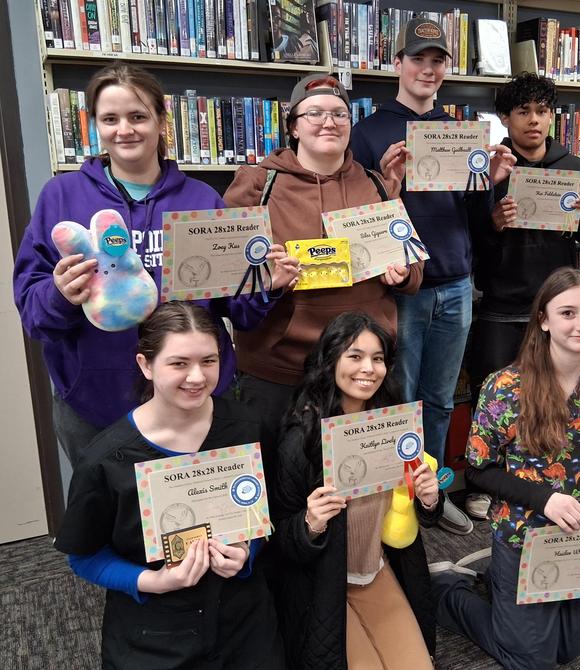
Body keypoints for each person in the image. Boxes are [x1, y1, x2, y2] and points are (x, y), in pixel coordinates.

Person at [13, 63, 296, 466]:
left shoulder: (201, 200)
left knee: (194, 524)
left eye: (138, 116)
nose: (124, 130)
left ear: (162, 122)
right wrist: (59, 295)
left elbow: (239, 312)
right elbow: (33, 313)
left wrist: (267, 284)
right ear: (94, 125)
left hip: (192, 401)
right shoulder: (61, 196)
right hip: (93, 401)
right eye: (109, 119)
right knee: (111, 525)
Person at [435, 268, 580, 670]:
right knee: (528, 661)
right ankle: (447, 589)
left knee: (567, 651)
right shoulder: (507, 386)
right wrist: (547, 499)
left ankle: (496, 583)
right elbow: (478, 469)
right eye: (568, 313)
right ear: (543, 319)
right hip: (524, 533)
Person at [350, 17, 516, 534]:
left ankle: (432, 492)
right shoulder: (368, 131)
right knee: (397, 398)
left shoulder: (461, 130)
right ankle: (393, 494)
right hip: (401, 288)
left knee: (441, 399)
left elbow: (473, 216)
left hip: (456, 284)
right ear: (398, 64)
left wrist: (493, 184)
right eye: (417, 58)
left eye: (437, 60)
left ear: (446, 68)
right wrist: (390, 186)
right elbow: (357, 214)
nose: (427, 68)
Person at [53, 302, 285, 668]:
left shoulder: (247, 428)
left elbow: (267, 517)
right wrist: (153, 581)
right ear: (146, 365)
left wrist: (248, 553)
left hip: (244, 623)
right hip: (155, 634)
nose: (197, 377)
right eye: (179, 363)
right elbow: (85, 557)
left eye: (209, 361)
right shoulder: (107, 458)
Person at [223, 73, 422, 443]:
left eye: (340, 114)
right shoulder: (257, 186)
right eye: (314, 113)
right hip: (279, 370)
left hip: (359, 373)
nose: (329, 122)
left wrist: (402, 273)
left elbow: (414, 268)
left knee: (350, 489)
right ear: (293, 127)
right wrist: (268, 281)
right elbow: (227, 283)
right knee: (280, 484)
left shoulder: (376, 185)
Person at [272, 312, 443, 669]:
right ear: (330, 360)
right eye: (355, 356)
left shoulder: (394, 424)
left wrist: (429, 500)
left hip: (377, 570)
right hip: (325, 583)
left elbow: (409, 519)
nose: (368, 368)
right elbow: (280, 541)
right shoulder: (301, 439)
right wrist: (310, 524)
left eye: (377, 358)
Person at [467, 71, 580, 520]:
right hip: (502, 304)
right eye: (522, 111)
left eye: (541, 111)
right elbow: (475, 242)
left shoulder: (573, 167)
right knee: (495, 398)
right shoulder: (490, 170)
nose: (533, 121)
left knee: (557, 398)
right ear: (505, 117)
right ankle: (484, 481)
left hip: (556, 308)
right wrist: (494, 224)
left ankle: (546, 477)